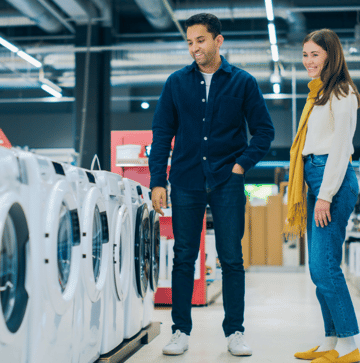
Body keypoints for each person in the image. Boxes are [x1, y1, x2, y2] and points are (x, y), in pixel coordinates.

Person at [148, 13, 275, 357]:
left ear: (218, 41)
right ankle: (180, 331)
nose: (194, 48)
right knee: (183, 257)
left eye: (200, 41)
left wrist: (240, 166)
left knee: (232, 257)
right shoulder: (176, 83)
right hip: (186, 180)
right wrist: (157, 180)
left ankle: (235, 331)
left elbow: (264, 131)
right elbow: (162, 135)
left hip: (226, 181)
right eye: (189, 42)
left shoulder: (243, 82)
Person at [285, 28, 360, 363]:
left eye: (315, 54)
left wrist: (325, 195)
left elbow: (341, 149)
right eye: (305, 55)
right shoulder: (319, 95)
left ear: (331, 55)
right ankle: (331, 341)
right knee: (318, 270)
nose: (308, 61)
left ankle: (350, 346)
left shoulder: (342, 94)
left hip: (333, 180)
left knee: (324, 265)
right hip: (318, 179)